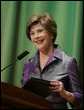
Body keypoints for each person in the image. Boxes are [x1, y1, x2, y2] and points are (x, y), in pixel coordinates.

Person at [21, 13, 83, 109]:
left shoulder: (68, 62)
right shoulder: (28, 64)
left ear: (52, 33)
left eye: (40, 31)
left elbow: (80, 100)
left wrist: (65, 93)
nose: (36, 36)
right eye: (32, 33)